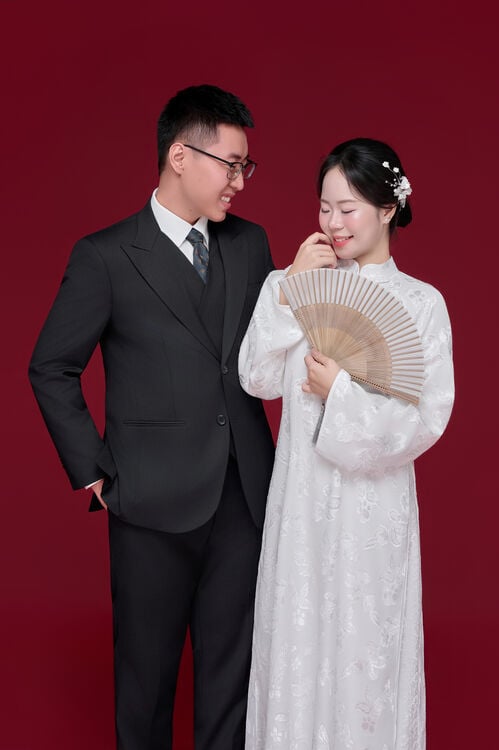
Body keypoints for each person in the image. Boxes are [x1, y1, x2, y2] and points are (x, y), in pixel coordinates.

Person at [29, 84, 275, 750]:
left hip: (243, 495)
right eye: (231, 164)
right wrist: (95, 472)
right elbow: (51, 366)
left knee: (232, 684)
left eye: (246, 166)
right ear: (179, 156)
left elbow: (267, 355)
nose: (240, 181)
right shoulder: (107, 255)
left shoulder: (250, 245)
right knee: (145, 686)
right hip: (147, 502)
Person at [239, 137, 454, 749]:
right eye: (324, 207)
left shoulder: (422, 305)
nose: (333, 223)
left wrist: (339, 392)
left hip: (373, 514)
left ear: (387, 209)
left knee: (367, 653)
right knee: (295, 643)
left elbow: (425, 421)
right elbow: (255, 377)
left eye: (348, 208)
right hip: (300, 504)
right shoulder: (292, 284)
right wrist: (289, 289)